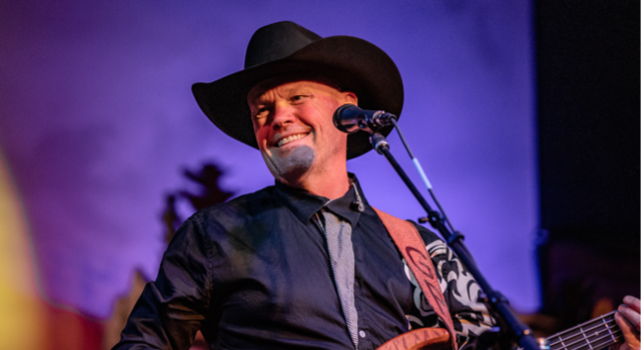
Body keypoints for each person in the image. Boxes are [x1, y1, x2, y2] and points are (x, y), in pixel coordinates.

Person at [113, 21, 642, 350]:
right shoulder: (215, 235)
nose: (278, 116)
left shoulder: (425, 249)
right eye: (263, 109)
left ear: (346, 109)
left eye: (297, 98)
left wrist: (614, 338)